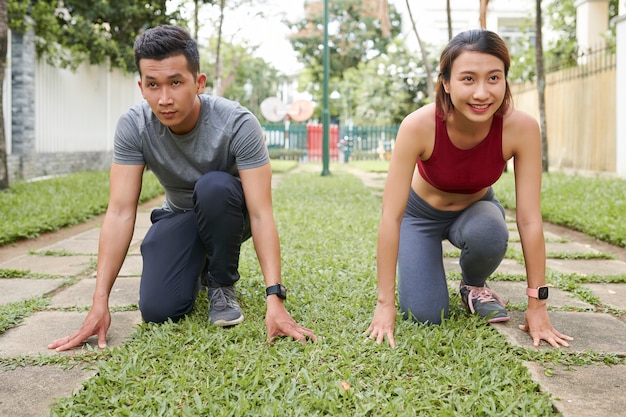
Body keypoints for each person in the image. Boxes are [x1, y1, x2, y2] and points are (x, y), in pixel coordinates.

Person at [49, 25, 315, 352]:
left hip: (231, 213)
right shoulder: (133, 125)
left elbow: (261, 214)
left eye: (175, 82)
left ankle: (221, 285)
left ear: (198, 83)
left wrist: (275, 297)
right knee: (160, 310)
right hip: (180, 215)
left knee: (213, 186)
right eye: (153, 85)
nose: (164, 99)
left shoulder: (237, 123)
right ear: (141, 87)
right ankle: (199, 264)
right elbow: (119, 212)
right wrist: (99, 301)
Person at [364, 29, 573, 349]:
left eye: (493, 78)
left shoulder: (522, 128)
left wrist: (538, 306)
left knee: (490, 228)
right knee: (424, 314)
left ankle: (473, 286)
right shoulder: (418, 126)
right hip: (418, 217)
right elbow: (391, 217)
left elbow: (530, 220)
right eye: (467, 79)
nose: (481, 93)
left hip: (476, 209)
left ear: (505, 79)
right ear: (446, 83)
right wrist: (384, 304)